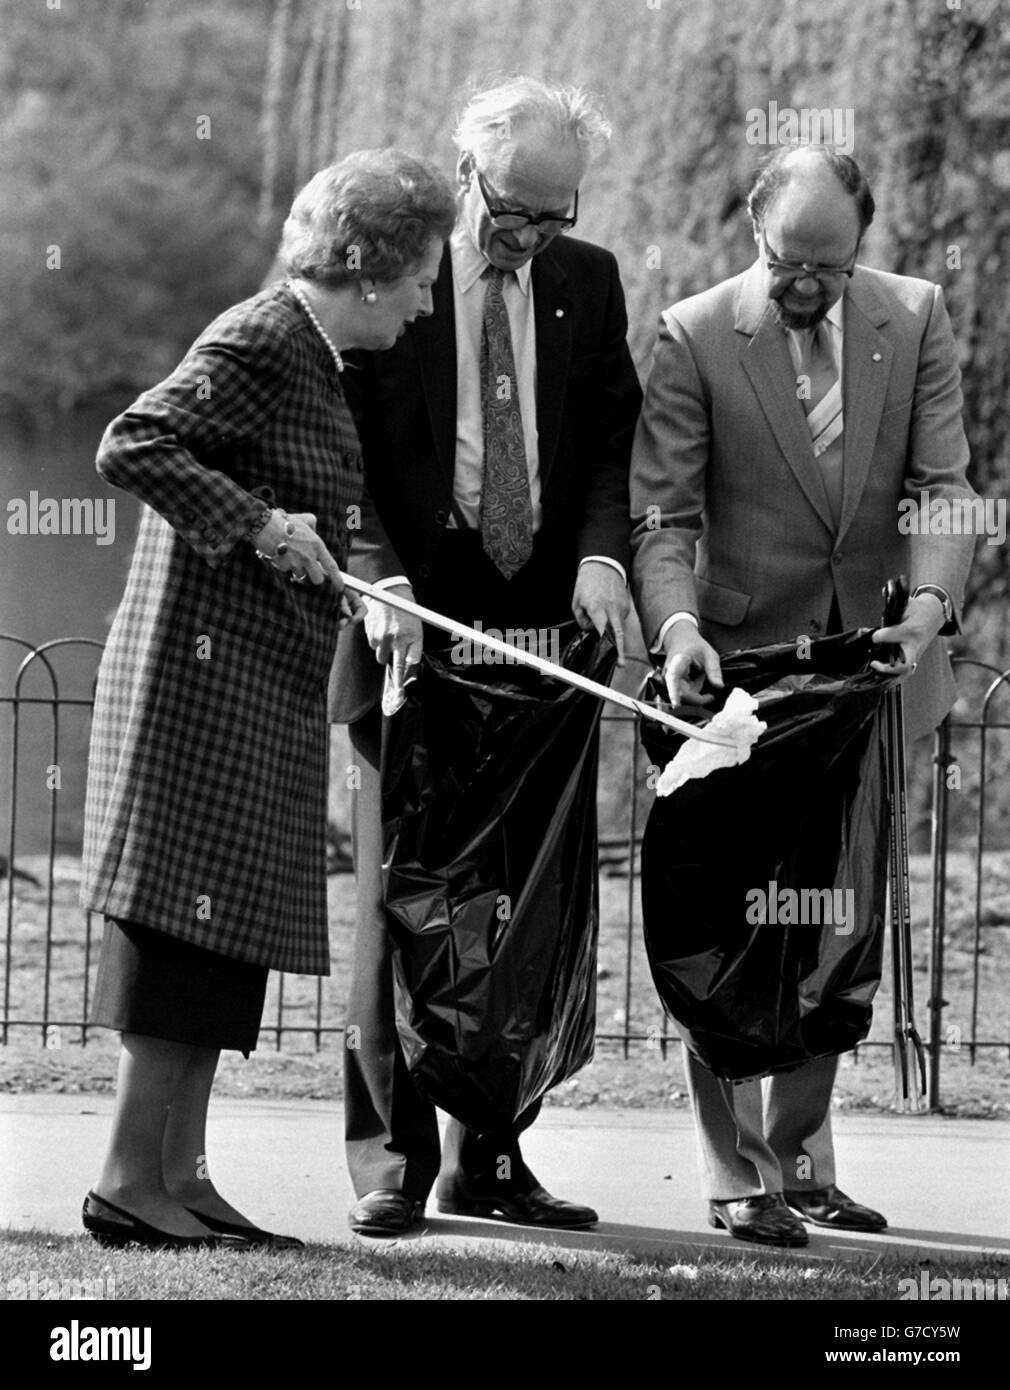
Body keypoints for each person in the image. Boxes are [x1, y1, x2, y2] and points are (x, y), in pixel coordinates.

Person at [79, 149, 456, 1250]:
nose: (430, 300)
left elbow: (287, 495)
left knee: (224, 937)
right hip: (193, 692)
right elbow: (130, 442)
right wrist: (256, 521)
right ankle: (124, 1178)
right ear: (368, 269)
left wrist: (341, 557)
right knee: (180, 930)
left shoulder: (314, 354)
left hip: (250, 689)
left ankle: (178, 1176)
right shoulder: (261, 336)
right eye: (424, 278)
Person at [630, 143, 976, 1247]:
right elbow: (663, 519)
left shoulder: (912, 317)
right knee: (729, 928)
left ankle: (802, 1158)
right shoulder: (690, 336)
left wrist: (925, 614)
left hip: (869, 672)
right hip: (737, 682)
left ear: (859, 246)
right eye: (788, 262)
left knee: (834, 923)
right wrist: (677, 626)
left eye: (828, 267)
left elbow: (941, 489)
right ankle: (732, 1171)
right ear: (753, 233)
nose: (805, 288)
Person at [331, 77, 642, 1235]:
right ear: (465, 176)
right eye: (514, 211)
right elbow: (342, 448)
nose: (532, 237)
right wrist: (381, 577)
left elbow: (611, 436)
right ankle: (393, 1160)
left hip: (539, 630)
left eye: (556, 213)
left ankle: (491, 1159)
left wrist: (603, 558)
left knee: (517, 905)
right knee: (401, 893)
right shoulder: (394, 272)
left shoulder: (586, 279)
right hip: (412, 614)